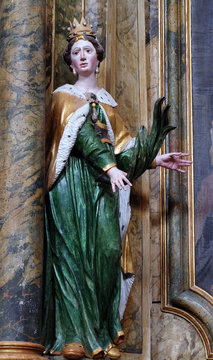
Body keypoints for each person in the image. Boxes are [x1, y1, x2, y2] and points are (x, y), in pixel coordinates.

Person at [42, 17, 192, 360]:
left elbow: (121, 151)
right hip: (71, 187)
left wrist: (154, 157)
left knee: (107, 255)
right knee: (72, 258)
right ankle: (73, 336)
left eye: (88, 51)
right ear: (70, 61)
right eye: (76, 52)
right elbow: (80, 139)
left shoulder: (108, 104)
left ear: (98, 57)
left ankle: (103, 331)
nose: (82, 56)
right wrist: (109, 166)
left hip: (102, 188)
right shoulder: (62, 99)